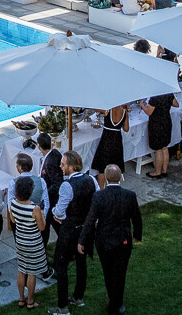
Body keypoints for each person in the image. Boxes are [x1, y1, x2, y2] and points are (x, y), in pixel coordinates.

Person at [79, 164, 142, 315]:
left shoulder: (99, 196)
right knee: (120, 273)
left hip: (104, 241)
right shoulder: (129, 195)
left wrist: (82, 240)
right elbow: (137, 218)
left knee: (108, 272)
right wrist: (137, 235)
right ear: (120, 177)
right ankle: (116, 303)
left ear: (105, 178)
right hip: (123, 241)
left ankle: (113, 302)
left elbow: (90, 220)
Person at [49, 150, 94, 315]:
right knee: (81, 263)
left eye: (63, 164)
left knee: (60, 266)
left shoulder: (67, 186)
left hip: (69, 230)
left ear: (71, 166)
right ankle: (78, 297)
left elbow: (59, 213)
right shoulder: (91, 180)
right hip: (85, 230)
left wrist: (54, 210)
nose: (60, 167)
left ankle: (62, 306)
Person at [7, 175, 47, 310]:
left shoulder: (12, 204)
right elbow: (42, 227)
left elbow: (13, 220)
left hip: (20, 240)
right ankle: (30, 301)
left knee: (21, 269)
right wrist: (41, 212)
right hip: (33, 242)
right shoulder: (34, 208)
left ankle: (21, 299)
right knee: (32, 272)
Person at [142, 87, 179, 178]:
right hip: (166, 121)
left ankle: (157, 172)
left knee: (158, 149)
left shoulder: (155, 98)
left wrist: (143, 106)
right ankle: (164, 170)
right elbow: (176, 104)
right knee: (165, 147)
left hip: (156, 124)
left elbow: (149, 112)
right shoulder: (168, 94)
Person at [36, 132, 63, 257]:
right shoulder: (55, 154)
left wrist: (45, 194)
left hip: (50, 199)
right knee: (55, 223)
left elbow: (57, 182)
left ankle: (42, 249)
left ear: (39, 146)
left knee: (46, 225)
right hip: (52, 198)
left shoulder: (49, 162)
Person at [92, 103, 127, 174]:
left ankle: (101, 184)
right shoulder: (124, 112)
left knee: (102, 168)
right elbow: (126, 129)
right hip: (117, 139)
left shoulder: (107, 110)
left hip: (106, 139)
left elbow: (94, 108)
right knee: (115, 163)